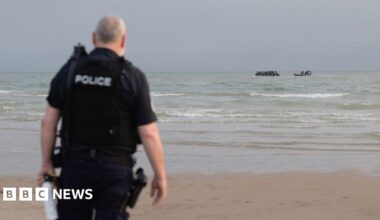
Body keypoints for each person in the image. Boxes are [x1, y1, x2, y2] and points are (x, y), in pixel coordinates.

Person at [37, 16, 167, 220]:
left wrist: (46, 164)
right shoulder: (133, 77)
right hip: (114, 172)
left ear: (93, 38)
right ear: (123, 40)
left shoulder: (70, 71)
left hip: (75, 169)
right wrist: (160, 175)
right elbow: (149, 133)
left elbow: (48, 122)